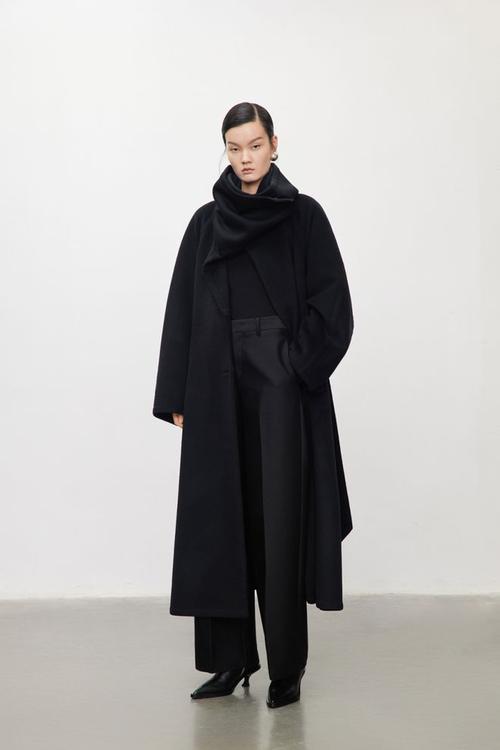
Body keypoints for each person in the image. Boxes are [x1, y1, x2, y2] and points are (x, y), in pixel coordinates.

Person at [152, 102, 354, 709]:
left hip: (279, 391)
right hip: (215, 386)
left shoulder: (303, 216)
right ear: (226, 150)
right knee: (221, 520)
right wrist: (177, 394)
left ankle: (286, 667)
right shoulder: (205, 224)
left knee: (279, 523)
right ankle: (229, 661)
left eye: (255, 145)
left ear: (274, 144)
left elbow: (333, 306)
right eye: (235, 148)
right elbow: (182, 309)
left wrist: (293, 368)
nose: (245, 158)